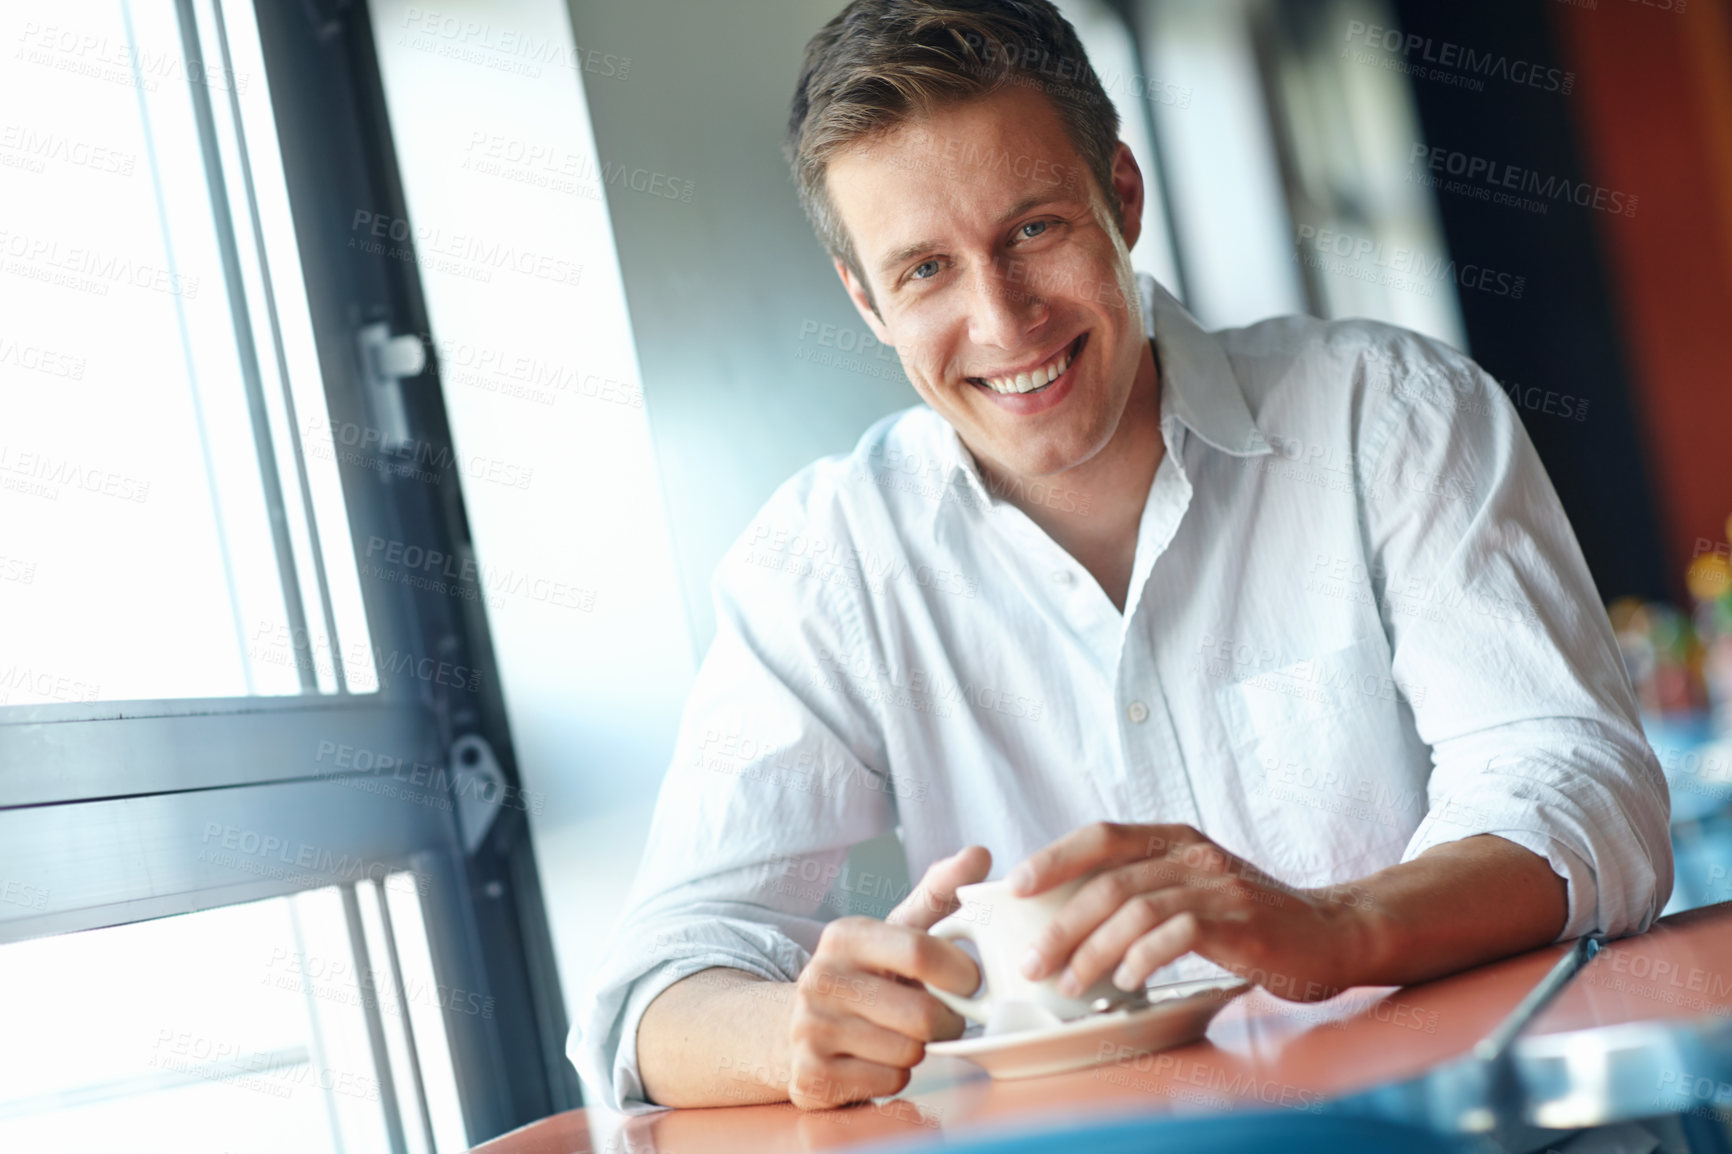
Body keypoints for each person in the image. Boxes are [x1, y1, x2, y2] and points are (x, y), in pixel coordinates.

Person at [571, 0, 1671, 1113]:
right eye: (923, 272)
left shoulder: (1388, 415)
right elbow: (652, 986)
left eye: (1033, 230)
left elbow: (1580, 790)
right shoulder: (824, 563)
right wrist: (793, 1031)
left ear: (1121, 198)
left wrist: (1333, 925)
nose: (1001, 322)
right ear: (866, 302)